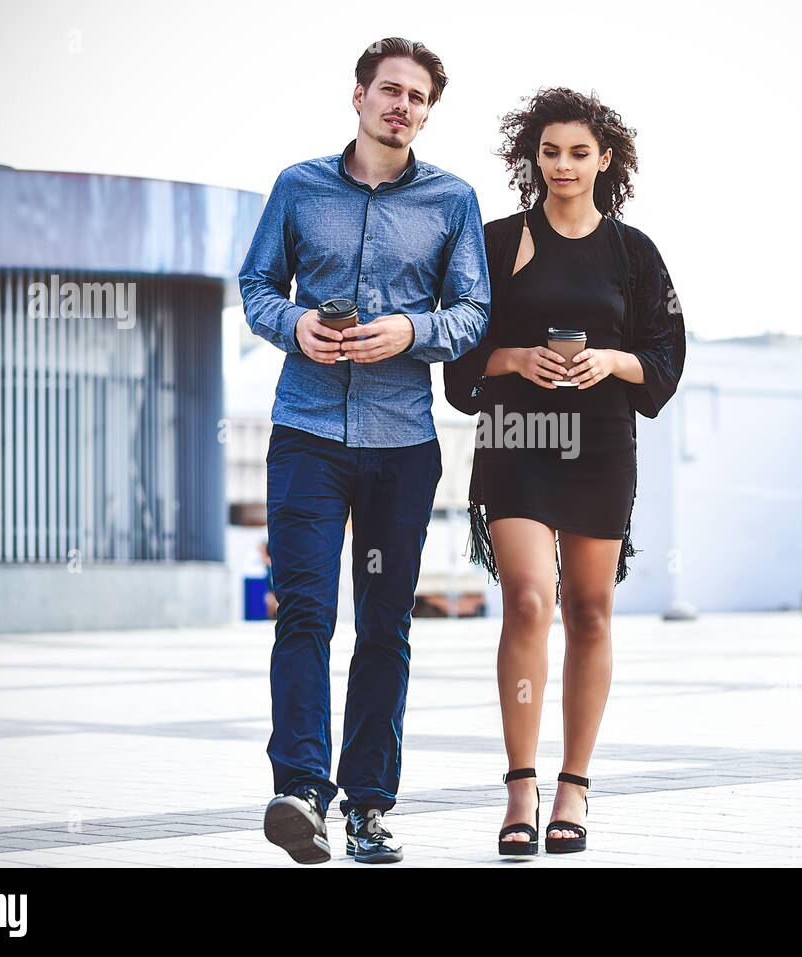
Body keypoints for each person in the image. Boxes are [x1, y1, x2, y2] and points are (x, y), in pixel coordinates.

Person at [240, 37, 491, 865]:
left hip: (402, 446)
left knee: (384, 626)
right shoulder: (298, 186)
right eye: (390, 90)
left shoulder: (452, 200)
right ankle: (301, 792)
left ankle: (369, 808)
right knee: (305, 612)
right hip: (306, 434)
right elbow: (256, 286)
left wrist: (411, 332)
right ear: (358, 95)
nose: (403, 107)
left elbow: (473, 313)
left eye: (419, 98)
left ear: (427, 111)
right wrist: (296, 325)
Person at [444, 87, 686, 855]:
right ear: (533, 156)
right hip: (516, 436)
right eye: (549, 151)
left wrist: (612, 360)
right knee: (526, 599)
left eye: (579, 152)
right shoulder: (496, 240)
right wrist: (514, 357)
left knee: (589, 611)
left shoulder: (633, 252)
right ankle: (521, 781)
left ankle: (574, 783)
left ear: (605, 159)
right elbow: (458, 350)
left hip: (601, 447)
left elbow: (667, 351)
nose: (563, 165)